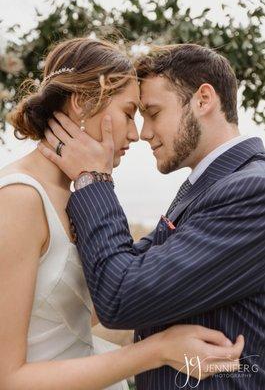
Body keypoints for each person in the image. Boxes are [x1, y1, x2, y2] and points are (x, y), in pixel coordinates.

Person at [0, 38, 243, 390]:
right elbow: (8, 378)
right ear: (83, 103)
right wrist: (158, 350)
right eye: (129, 113)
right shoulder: (19, 198)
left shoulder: (77, 198)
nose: (135, 134)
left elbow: (84, 308)